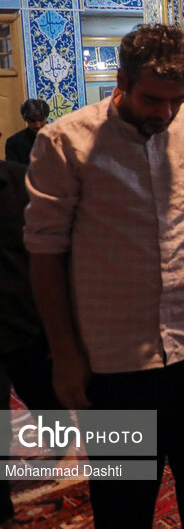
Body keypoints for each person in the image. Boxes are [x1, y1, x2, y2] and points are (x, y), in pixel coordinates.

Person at [25, 24, 184, 528]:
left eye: (177, 99)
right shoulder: (64, 142)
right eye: (152, 99)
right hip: (115, 362)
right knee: (124, 503)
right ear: (122, 81)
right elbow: (45, 255)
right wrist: (64, 352)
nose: (165, 113)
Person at [1, 158, 63, 527]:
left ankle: (66, 452)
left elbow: (47, 250)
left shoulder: (22, 182)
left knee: (48, 396)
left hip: (27, 320)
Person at [4, 98, 49, 165]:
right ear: (26, 120)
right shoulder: (14, 142)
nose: (37, 125)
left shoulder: (59, 137)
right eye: (32, 121)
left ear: (46, 117)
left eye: (40, 120)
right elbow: (12, 169)